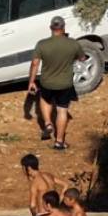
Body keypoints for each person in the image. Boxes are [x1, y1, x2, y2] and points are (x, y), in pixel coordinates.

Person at [26, 15, 86, 150]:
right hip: (65, 84)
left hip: (47, 83)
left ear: (51, 28)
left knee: (45, 100)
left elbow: (35, 63)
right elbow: (82, 58)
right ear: (63, 28)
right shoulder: (73, 43)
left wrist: (31, 81)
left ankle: (48, 123)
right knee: (62, 111)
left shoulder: (42, 44)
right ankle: (59, 142)